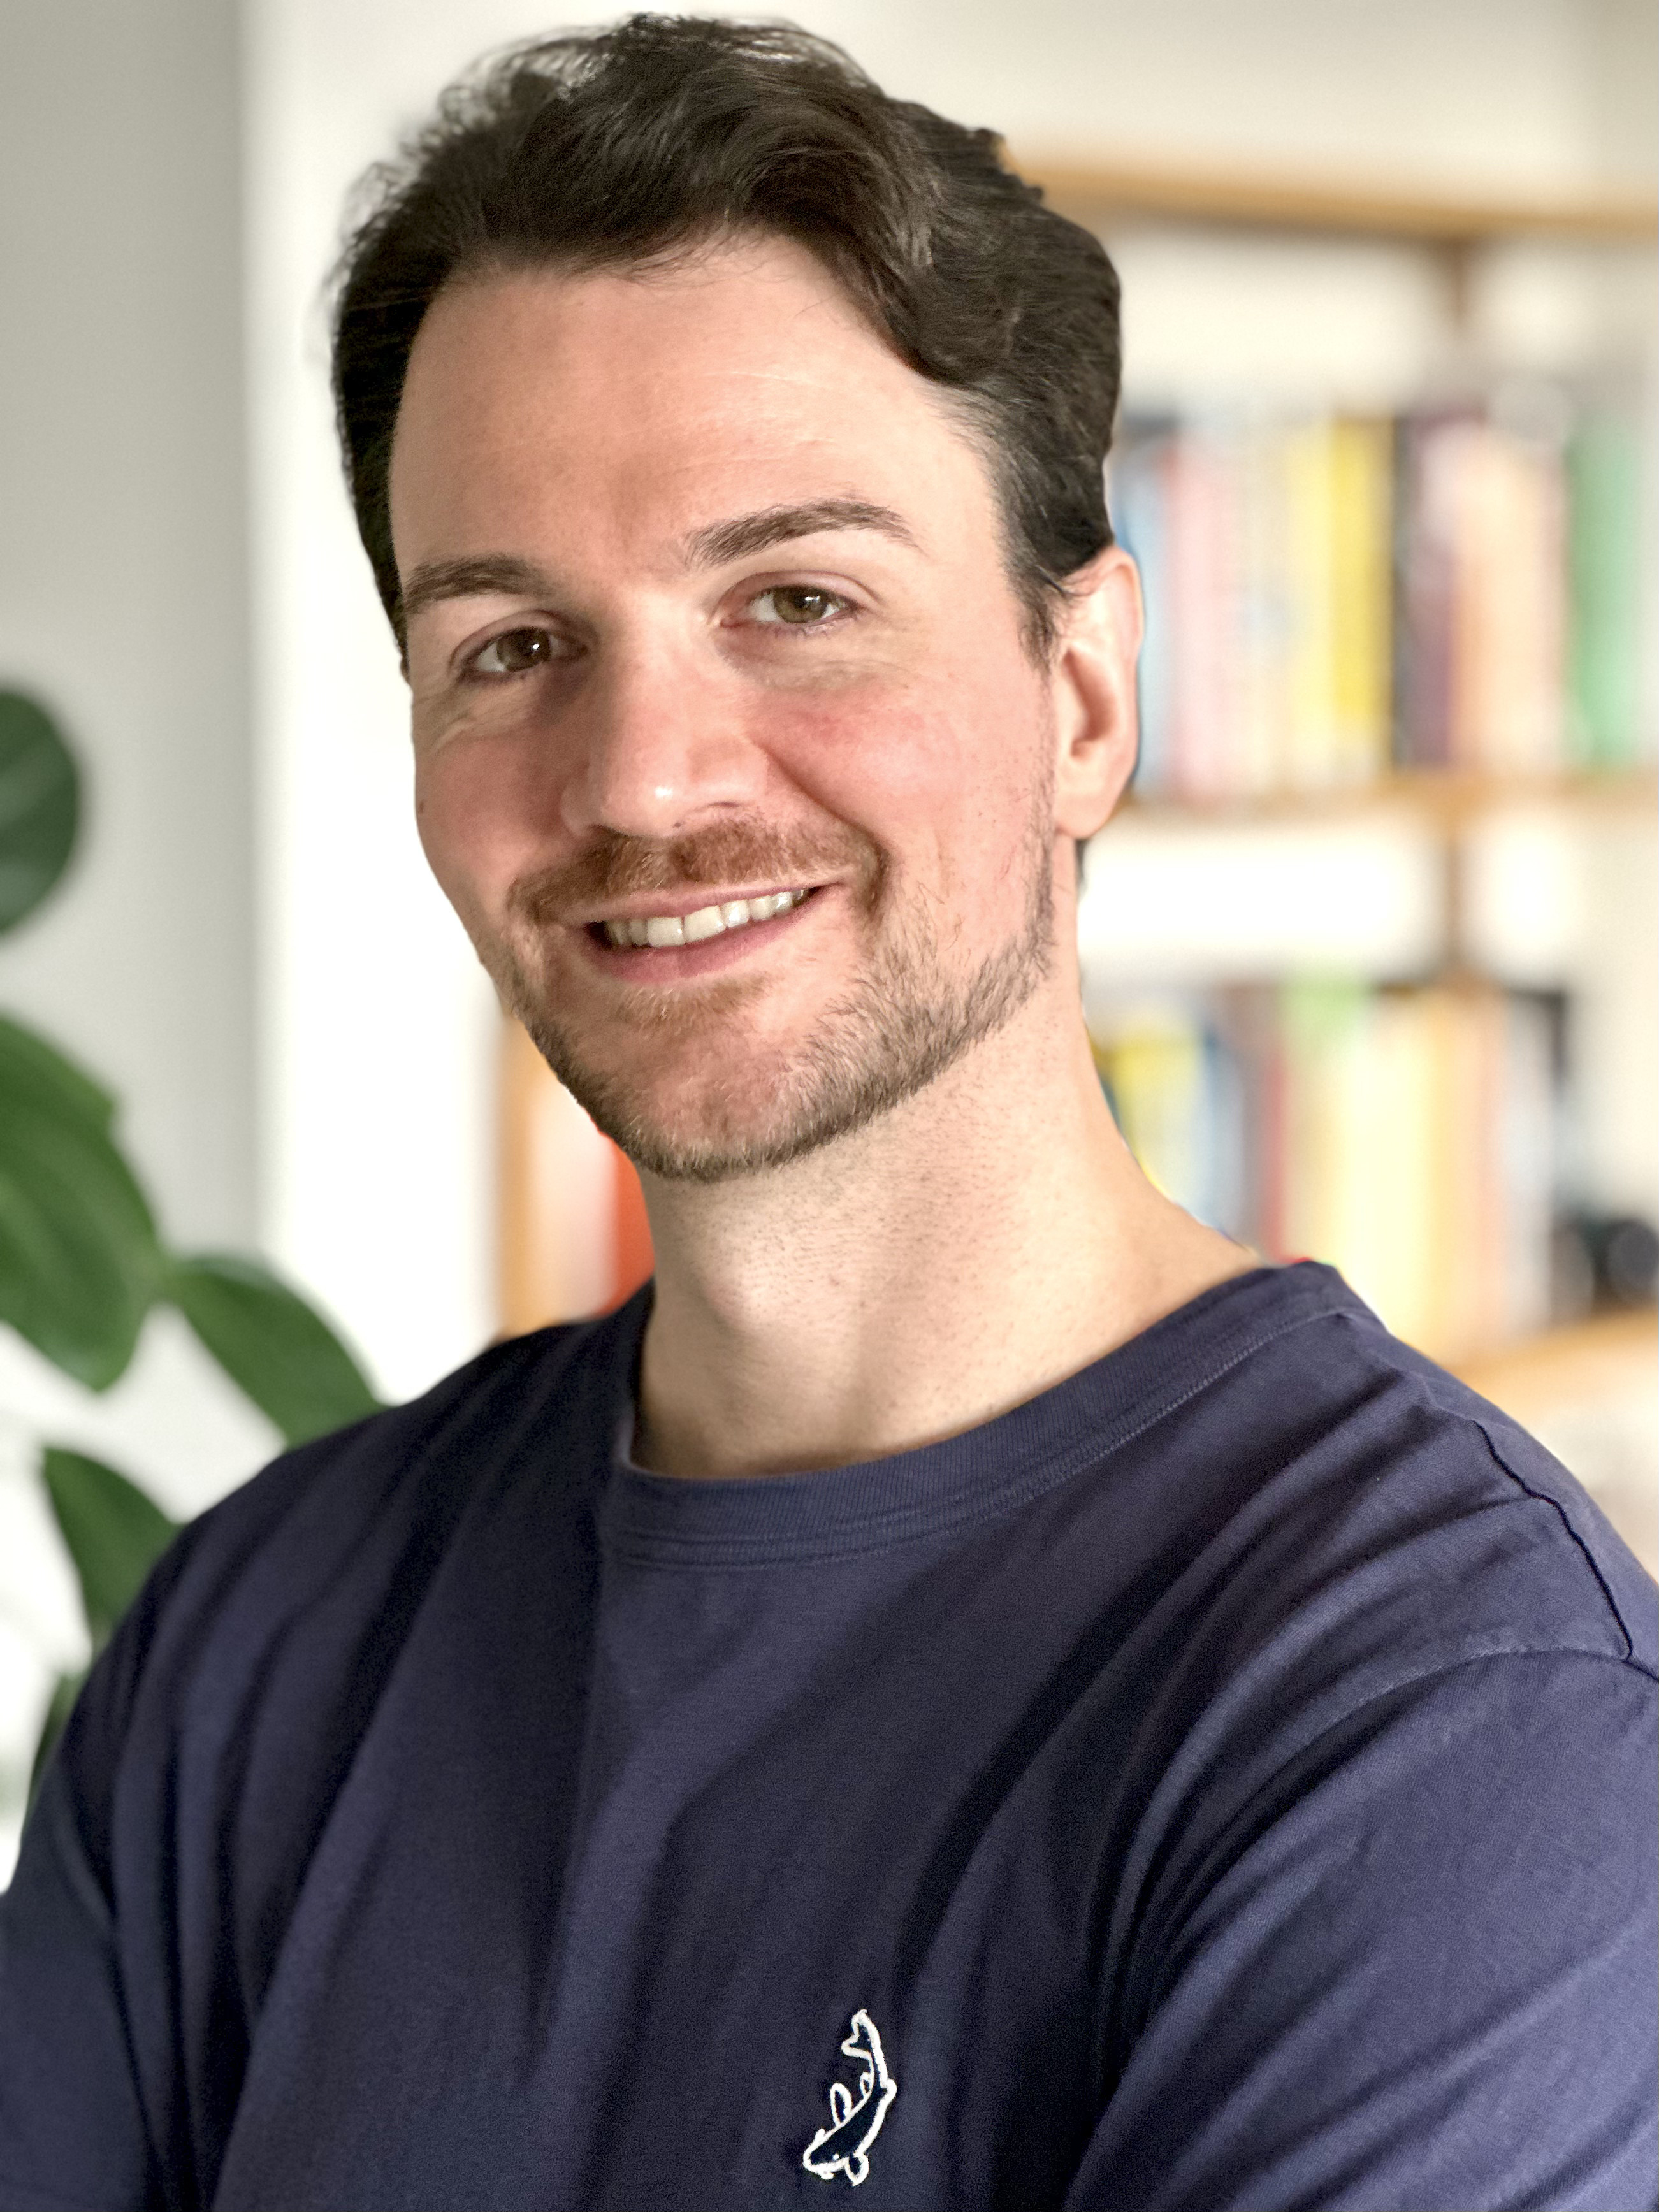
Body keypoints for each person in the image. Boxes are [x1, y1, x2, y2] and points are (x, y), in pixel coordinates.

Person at [1, 17, 1654, 2210]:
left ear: (1082, 698)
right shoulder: (250, 1647)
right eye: (509, 644)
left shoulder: (1440, 1722)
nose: (642, 782)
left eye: (795, 601)